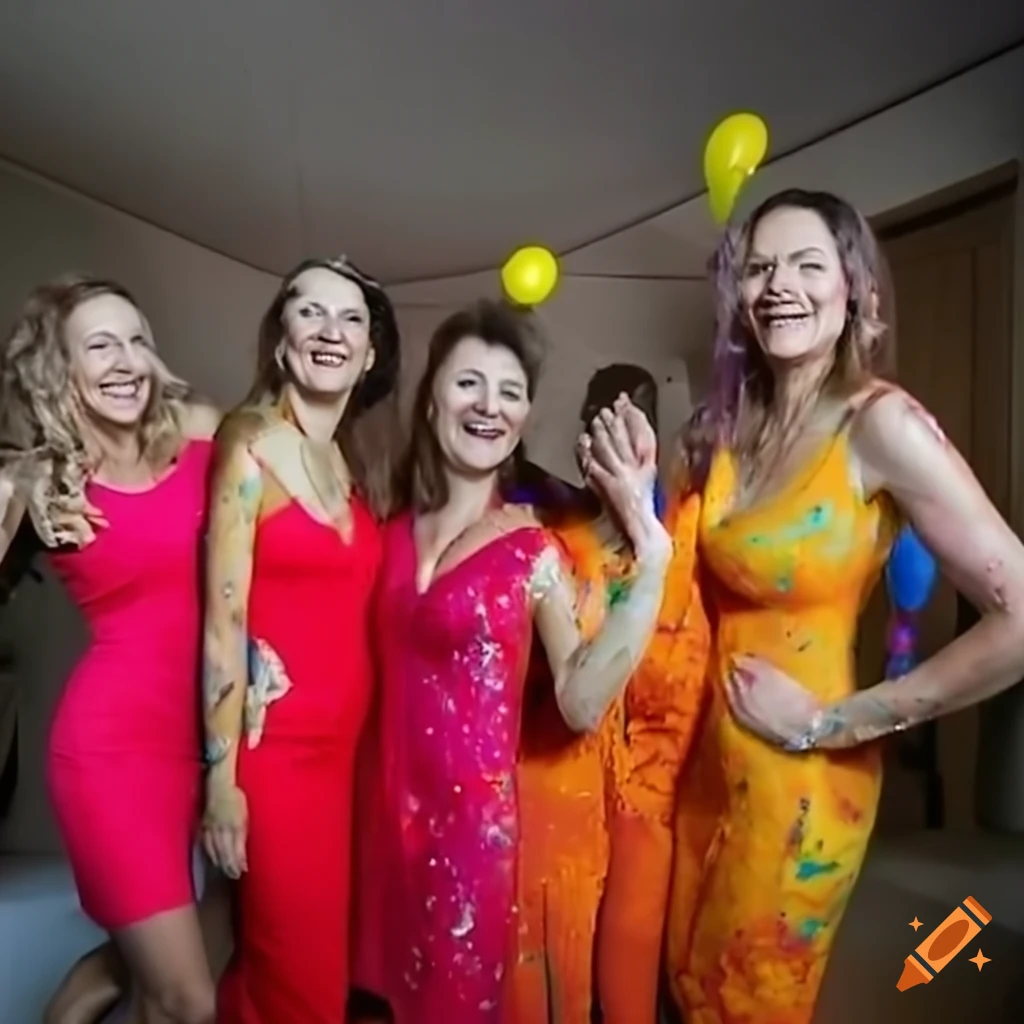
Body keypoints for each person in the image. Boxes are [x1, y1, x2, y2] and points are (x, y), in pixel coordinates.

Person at [601, 187, 1024, 1024]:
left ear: (855, 289)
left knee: (751, 1006)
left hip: (804, 784)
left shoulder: (883, 427)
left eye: (806, 264)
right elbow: (664, 589)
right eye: (760, 268)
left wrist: (838, 722)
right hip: (704, 773)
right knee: (686, 991)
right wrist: (633, 494)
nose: (778, 285)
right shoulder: (725, 427)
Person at [355, 299, 672, 1022]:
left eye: (510, 392)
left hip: (472, 851)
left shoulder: (533, 552)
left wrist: (653, 552)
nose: (488, 406)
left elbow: (581, 701)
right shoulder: (385, 531)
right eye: (469, 383)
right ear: (432, 393)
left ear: (526, 415)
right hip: (381, 836)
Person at [0, 275, 221, 1024]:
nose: (126, 360)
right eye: (100, 345)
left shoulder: (200, 429)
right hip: (111, 757)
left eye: (137, 341)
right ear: (60, 367)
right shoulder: (34, 481)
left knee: (130, 965)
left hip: (205, 745)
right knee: (186, 999)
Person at [200, 256, 400, 1023]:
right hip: (276, 757)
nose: (331, 331)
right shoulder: (247, 441)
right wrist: (222, 786)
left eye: (350, 318)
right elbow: (224, 621)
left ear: (370, 353)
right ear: (281, 337)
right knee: (299, 986)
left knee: (291, 980)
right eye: (310, 311)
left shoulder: (348, 462)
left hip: (348, 760)